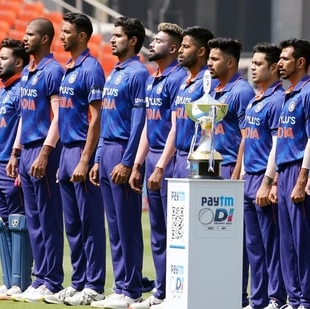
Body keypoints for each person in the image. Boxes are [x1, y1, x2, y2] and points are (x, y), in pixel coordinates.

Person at [41, 12, 107, 306]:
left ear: (82, 36)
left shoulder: (91, 68)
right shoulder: (69, 67)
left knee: (90, 221)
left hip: (82, 150)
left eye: (67, 32)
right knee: (73, 224)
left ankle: (94, 285)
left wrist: (85, 159)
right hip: (67, 151)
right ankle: (78, 281)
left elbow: (95, 119)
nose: (62, 36)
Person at [88, 16, 150, 309]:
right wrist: (99, 157)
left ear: (133, 41)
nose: (111, 40)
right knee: (113, 225)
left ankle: (132, 289)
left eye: (118, 36)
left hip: (124, 150)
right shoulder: (115, 72)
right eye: (112, 36)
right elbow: (107, 120)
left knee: (127, 226)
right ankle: (120, 285)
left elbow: (138, 122)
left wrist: (128, 161)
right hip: (109, 150)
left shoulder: (138, 73)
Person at [256, 38, 310, 309]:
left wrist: (302, 178)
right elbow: (279, 142)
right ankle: (293, 300)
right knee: (287, 244)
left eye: (284, 59)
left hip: (297, 170)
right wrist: (270, 179)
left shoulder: (309, 93)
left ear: (301, 62)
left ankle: (309, 300)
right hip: (283, 171)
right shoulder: (286, 95)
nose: (279, 63)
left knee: (303, 242)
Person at [5, 17, 65, 303]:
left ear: (44, 39)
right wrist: (16, 151)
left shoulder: (53, 71)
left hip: (44, 152)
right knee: (34, 220)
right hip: (27, 149)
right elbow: (24, 117)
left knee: (48, 218)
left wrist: (45, 152)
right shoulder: (29, 71)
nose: (24, 38)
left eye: (30, 34)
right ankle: (40, 277)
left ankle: (51, 280)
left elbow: (59, 116)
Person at [127, 22, 186, 309]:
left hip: (170, 159)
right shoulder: (152, 79)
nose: (152, 44)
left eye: (159, 41)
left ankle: (175, 292)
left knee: (175, 232)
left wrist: (161, 165)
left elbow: (175, 128)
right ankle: (161, 292)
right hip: (151, 159)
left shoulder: (178, 79)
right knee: (158, 232)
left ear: (173, 48)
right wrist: (139, 164)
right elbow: (149, 128)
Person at [207, 37, 255, 308]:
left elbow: (247, 138)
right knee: (216, 237)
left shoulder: (242, 92)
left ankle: (239, 296)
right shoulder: (213, 90)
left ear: (231, 62)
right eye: (209, 58)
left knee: (237, 239)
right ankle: (219, 291)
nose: (209, 64)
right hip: (213, 170)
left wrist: (236, 172)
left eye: (214, 59)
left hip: (230, 171)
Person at [0, 38, 31, 301]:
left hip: (13, 165)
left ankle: (20, 282)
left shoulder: (22, 88)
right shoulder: (2, 91)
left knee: (19, 222)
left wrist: (17, 154)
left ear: (19, 62)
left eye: (4, 57)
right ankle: (6, 281)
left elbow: (25, 122)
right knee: (2, 224)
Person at [242, 42, 286, 309]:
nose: (254, 69)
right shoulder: (255, 100)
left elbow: (277, 145)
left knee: (272, 245)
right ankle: (257, 300)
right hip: (249, 178)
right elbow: (248, 142)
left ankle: (275, 298)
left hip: (264, 179)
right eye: (253, 64)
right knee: (253, 247)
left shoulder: (277, 100)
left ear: (273, 68)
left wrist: (271, 182)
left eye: (259, 64)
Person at [171, 26, 216, 178]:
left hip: (198, 158)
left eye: (186, 46)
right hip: (179, 156)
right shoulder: (184, 82)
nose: (180, 50)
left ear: (201, 51)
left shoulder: (208, 81)